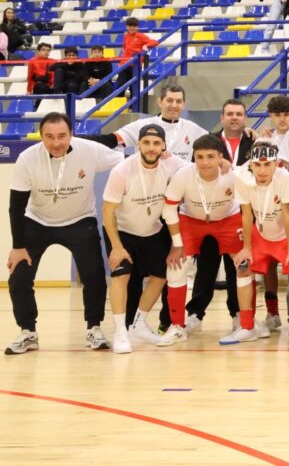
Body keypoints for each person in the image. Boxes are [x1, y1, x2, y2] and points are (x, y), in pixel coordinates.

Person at [5, 113, 123, 355]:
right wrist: (18, 246)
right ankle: (28, 332)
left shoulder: (90, 150)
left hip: (79, 220)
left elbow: (125, 161)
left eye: (62, 136)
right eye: (49, 137)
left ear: (72, 134)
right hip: (37, 221)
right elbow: (16, 206)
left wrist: (161, 156)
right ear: (41, 136)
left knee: (94, 275)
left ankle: (94, 327)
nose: (56, 143)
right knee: (18, 277)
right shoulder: (27, 158)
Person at [101, 124, 187, 353]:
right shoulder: (121, 171)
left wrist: (224, 163)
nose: (151, 148)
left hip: (152, 230)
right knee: (121, 277)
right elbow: (107, 212)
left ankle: (138, 324)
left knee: (161, 276)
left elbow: (198, 167)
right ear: (138, 144)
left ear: (164, 146)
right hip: (122, 231)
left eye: (156, 143)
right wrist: (116, 246)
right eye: (146, 143)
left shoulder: (173, 164)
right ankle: (120, 332)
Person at [158, 134, 242, 346]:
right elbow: (168, 210)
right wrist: (177, 244)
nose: (204, 162)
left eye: (211, 156)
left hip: (227, 219)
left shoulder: (234, 174)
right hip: (191, 219)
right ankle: (177, 326)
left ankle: (243, 319)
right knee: (176, 267)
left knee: (244, 266)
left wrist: (248, 245)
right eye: (200, 157)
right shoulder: (183, 175)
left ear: (221, 157)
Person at [222, 142, 289, 345]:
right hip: (261, 233)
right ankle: (247, 326)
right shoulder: (242, 178)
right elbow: (246, 214)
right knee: (243, 268)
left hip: (287, 234)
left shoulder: (284, 177)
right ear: (250, 164)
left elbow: (287, 213)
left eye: (267, 164)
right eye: (257, 165)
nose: (262, 170)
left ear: (276, 164)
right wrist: (246, 248)